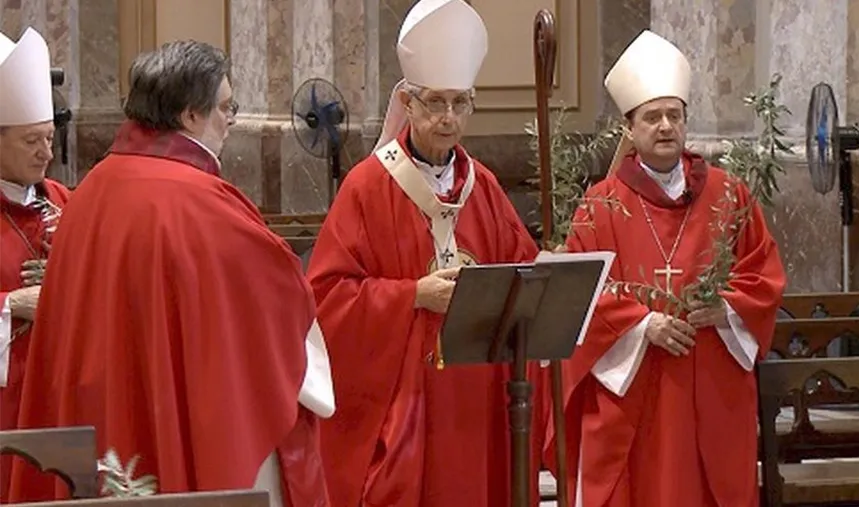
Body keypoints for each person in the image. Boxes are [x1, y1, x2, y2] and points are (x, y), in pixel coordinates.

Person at [8, 40, 335, 507]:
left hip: (97, 412)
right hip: (170, 411)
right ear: (189, 115)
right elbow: (283, 298)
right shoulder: (205, 204)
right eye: (225, 106)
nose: (231, 118)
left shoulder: (93, 188)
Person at [305, 1, 545, 505]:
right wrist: (412, 295)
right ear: (408, 103)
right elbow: (326, 298)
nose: (448, 117)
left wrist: (547, 273)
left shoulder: (485, 188)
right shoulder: (368, 187)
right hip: (404, 399)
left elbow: (524, 277)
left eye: (460, 103)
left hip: (473, 398)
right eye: (435, 102)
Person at [543, 30, 786, 507]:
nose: (665, 126)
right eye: (651, 117)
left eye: (674, 115)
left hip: (711, 386)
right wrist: (642, 323)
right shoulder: (601, 206)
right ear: (629, 130)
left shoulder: (729, 195)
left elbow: (764, 275)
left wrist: (728, 307)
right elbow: (577, 294)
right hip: (634, 397)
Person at [0, 26, 70, 504]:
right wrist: (12, 305)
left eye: (49, 137)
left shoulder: (67, 203)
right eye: (31, 142)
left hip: (62, 391)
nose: (47, 153)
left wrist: (68, 282)